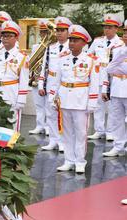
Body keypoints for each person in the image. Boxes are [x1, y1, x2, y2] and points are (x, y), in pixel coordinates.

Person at [48, 25, 100, 175]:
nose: (71, 43)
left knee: (81, 133)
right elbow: (55, 80)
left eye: (75, 40)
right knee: (66, 132)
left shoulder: (91, 60)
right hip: (64, 99)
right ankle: (69, 160)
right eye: (70, 40)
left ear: (84, 43)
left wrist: (92, 102)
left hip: (81, 101)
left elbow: (94, 83)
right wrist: (52, 97)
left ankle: (80, 161)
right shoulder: (62, 58)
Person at [0, 20, 29, 132]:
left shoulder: (21, 57)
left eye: (9, 36)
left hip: (11, 93)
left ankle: (12, 146)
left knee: (12, 123)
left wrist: (21, 99)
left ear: (16, 38)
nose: (5, 39)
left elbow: (24, 80)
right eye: (4, 36)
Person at [87, 14, 125, 141]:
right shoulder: (98, 41)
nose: (106, 30)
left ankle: (110, 131)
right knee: (98, 105)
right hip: (98, 75)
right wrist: (96, 60)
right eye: (105, 27)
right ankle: (99, 130)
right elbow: (88, 55)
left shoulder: (120, 43)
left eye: (110, 27)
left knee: (111, 107)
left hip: (113, 77)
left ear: (116, 29)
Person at [39, 16, 72, 152]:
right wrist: (41, 84)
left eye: (62, 30)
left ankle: (64, 141)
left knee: (63, 114)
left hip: (64, 84)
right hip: (51, 82)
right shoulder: (50, 47)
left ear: (68, 32)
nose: (59, 33)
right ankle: (53, 140)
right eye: (57, 30)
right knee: (50, 113)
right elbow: (44, 67)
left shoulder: (73, 47)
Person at [28, 19, 52, 135]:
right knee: (38, 104)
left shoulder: (54, 47)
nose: (43, 35)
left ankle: (48, 126)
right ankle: (40, 125)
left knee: (48, 105)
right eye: (42, 32)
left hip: (49, 79)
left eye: (46, 32)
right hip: (37, 78)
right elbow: (32, 62)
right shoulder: (36, 46)